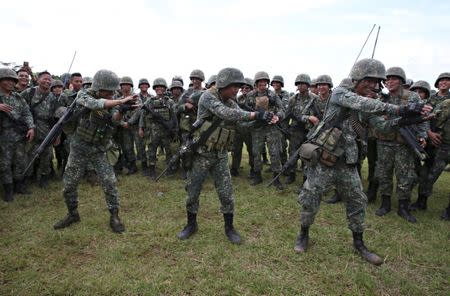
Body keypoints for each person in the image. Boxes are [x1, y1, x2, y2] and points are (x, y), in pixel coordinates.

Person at [294, 58, 432, 265]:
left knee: (358, 202)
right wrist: (402, 109)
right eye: (370, 81)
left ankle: (359, 243)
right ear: (358, 78)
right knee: (310, 198)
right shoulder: (341, 94)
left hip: (348, 163)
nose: (375, 87)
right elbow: (365, 104)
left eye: (378, 83)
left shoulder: (368, 103)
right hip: (325, 159)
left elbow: (383, 126)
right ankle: (303, 234)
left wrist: (413, 119)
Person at [177, 67, 278, 244]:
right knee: (193, 192)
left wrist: (264, 119)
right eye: (234, 86)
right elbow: (225, 113)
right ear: (223, 84)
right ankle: (191, 224)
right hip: (201, 154)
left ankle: (229, 228)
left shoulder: (231, 102)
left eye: (239, 86)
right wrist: (257, 114)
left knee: (226, 193)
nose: (237, 90)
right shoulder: (208, 96)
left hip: (221, 155)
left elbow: (240, 122)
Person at [53, 69, 136, 233]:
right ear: (98, 87)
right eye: (108, 91)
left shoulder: (112, 100)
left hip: (98, 148)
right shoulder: (84, 94)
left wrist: (122, 111)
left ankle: (114, 215)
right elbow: (95, 104)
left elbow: (113, 121)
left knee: (109, 182)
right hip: (79, 147)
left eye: (113, 91)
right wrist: (120, 101)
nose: (111, 94)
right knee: (69, 184)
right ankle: (72, 214)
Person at [374, 67, 427, 223]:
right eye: (387, 79)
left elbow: (423, 118)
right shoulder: (382, 99)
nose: (389, 82)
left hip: (404, 143)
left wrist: (423, 136)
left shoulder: (413, 97)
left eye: (393, 79)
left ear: (402, 81)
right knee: (384, 173)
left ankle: (403, 207)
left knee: (405, 176)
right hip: (384, 141)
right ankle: (385, 204)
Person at [20, 71, 61, 188]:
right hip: (30, 130)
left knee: (46, 157)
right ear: (38, 80)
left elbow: (58, 119)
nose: (47, 81)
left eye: (50, 80)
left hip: (47, 132)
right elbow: (17, 104)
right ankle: (26, 179)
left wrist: (57, 135)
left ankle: (44, 179)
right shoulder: (29, 92)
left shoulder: (53, 97)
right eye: (45, 79)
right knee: (28, 156)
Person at [0, 68, 35, 201]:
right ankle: (8, 190)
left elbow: (27, 113)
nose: (11, 82)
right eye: (7, 79)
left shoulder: (18, 97)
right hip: (3, 137)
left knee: (20, 161)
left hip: (19, 136)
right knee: (4, 164)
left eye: (13, 80)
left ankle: (19, 186)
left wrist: (31, 127)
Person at [247, 71, 285, 189]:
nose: (262, 84)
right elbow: (246, 112)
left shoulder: (273, 95)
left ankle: (276, 177)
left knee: (274, 152)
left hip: (271, 127)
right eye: (260, 82)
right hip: (257, 127)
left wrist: (277, 116)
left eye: (264, 82)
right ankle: (257, 175)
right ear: (256, 83)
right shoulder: (250, 96)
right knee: (256, 152)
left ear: (267, 83)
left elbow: (282, 110)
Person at [139, 78, 177, 179]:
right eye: (157, 87)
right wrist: (141, 128)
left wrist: (174, 129)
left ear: (165, 89)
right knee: (151, 150)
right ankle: (152, 169)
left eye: (161, 87)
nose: (159, 89)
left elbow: (174, 117)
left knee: (168, 150)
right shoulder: (149, 101)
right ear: (155, 89)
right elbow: (142, 115)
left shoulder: (170, 102)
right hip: (153, 130)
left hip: (166, 130)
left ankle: (169, 169)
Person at [285, 73, 318, 185]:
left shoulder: (314, 99)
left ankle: (306, 178)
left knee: (307, 155)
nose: (300, 86)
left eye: (303, 83)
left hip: (309, 132)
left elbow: (318, 115)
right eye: (298, 83)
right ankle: (291, 175)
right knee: (293, 153)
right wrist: (286, 130)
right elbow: (287, 115)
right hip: (295, 131)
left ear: (308, 85)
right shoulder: (292, 99)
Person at [230, 78, 255, 177]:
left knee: (252, 151)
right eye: (242, 87)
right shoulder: (238, 99)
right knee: (236, 150)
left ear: (251, 88)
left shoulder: (254, 99)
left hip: (250, 129)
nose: (244, 89)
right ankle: (234, 169)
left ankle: (254, 169)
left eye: (247, 88)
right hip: (238, 129)